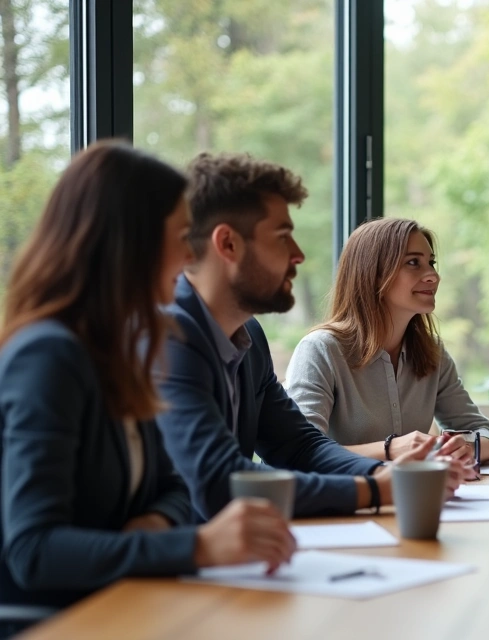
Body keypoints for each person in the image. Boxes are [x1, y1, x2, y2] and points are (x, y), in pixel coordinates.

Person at [0, 142, 295, 636]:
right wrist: (196, 546)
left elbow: (173, 486)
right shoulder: (48, 356)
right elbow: (34, 550)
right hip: (63, 623)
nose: (188, 254)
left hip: (128, 604)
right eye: (180, 236)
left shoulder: (119, 349)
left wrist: (153, 524)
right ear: (131, 242)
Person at [155, 152, 461, 521]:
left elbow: (298, 446)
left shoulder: (247, 335)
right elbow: (219, 481)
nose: (298, 255)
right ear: (228, 244)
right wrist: (375, 489)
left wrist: (383, 474)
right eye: (283, 236)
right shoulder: (168, 337)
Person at [285, 218, 489, 476]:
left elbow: (482, 433)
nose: (433, 275)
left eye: (431, 263)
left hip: (414, 499)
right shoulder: (321, 350)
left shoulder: (433, 352)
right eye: (413, 263)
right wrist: (391, 449)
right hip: (342, 505)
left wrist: (463, 448)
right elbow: (299, 453)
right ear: (372, 274)